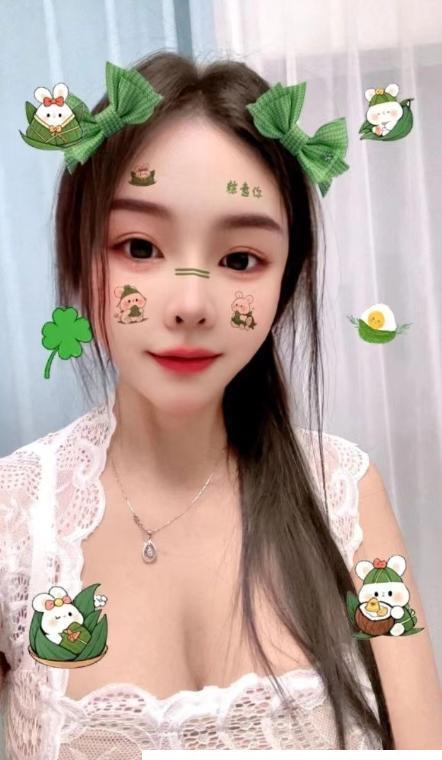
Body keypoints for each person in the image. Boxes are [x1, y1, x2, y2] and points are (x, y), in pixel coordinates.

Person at [0, 51, 440, 757]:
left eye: (240, 259)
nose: (191, 304)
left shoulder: (347, 495)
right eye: (138, 246)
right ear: (79, 257)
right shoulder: (15, 521)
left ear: (284, 284)